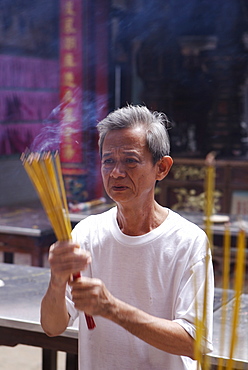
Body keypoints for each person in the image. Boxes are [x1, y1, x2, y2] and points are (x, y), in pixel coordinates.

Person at [41, 105, 214, 370]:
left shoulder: (188, 242)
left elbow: (195, 343)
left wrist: (113, 309)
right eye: (108, 161)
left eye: (130, 161)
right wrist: (56, 280)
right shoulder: (85, 233)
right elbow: (53, 327)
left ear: (162, 168)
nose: (116, 173)